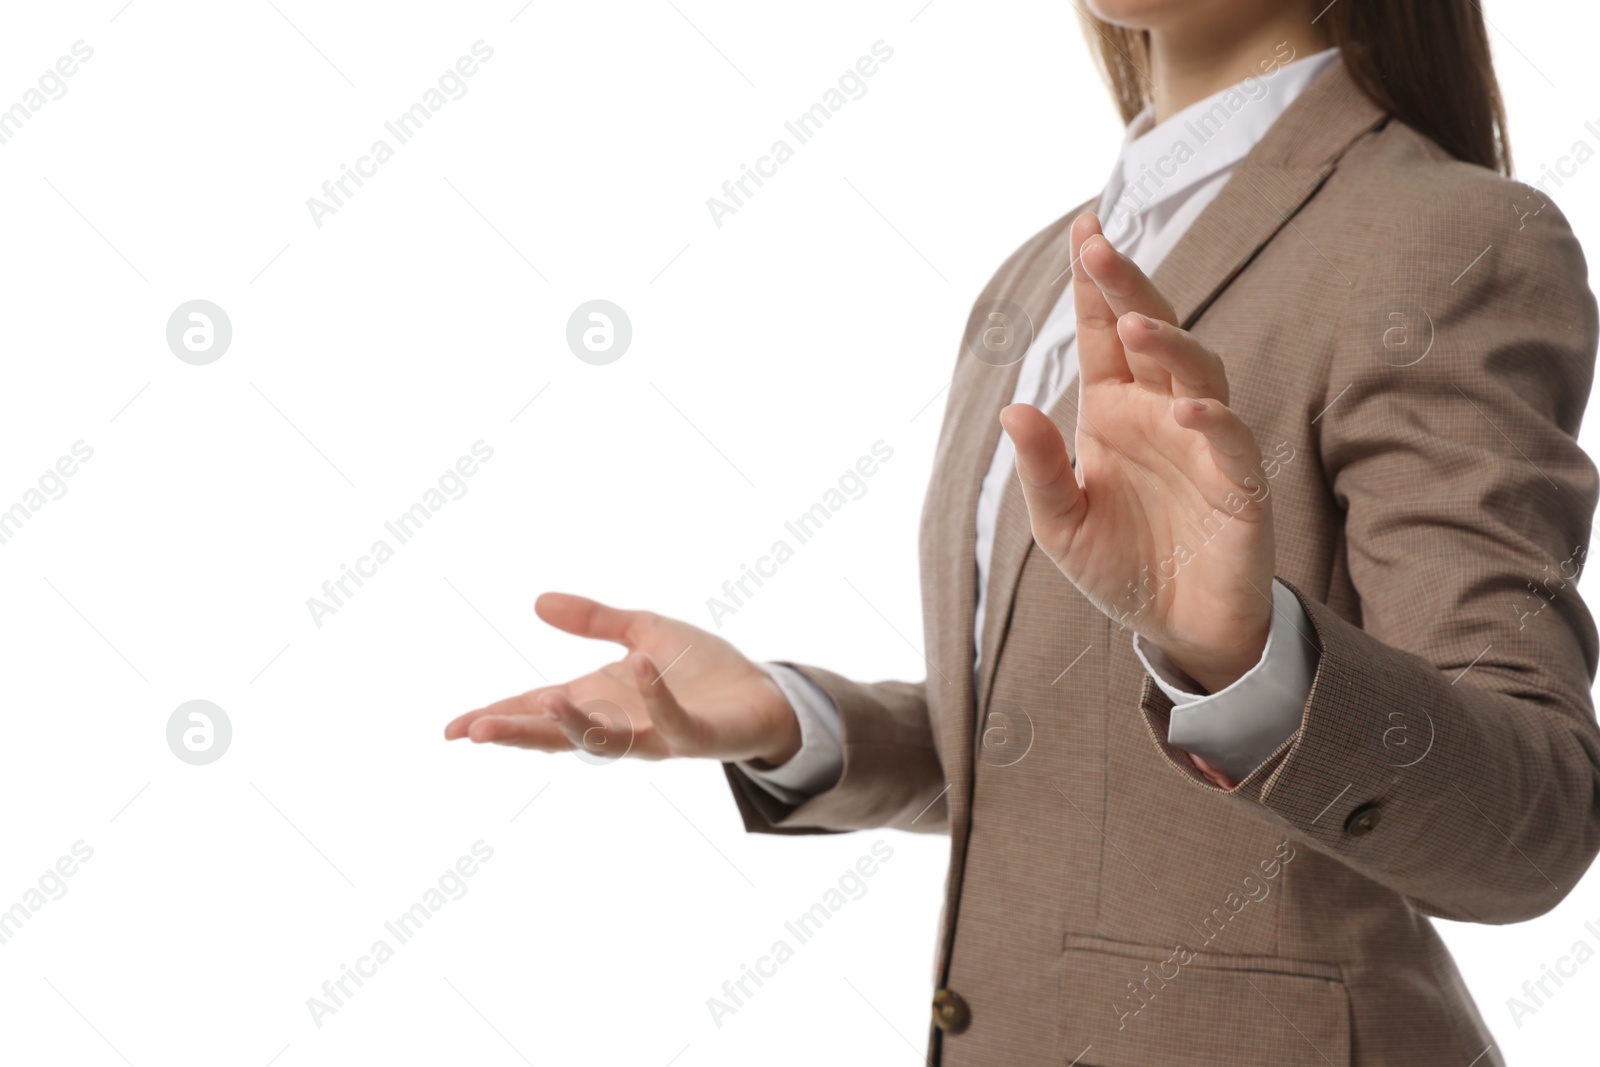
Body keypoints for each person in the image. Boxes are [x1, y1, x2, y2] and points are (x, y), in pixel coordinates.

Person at [446, 1, 1600, 1062]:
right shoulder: (1032, 278)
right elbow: (1064, 754)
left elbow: (1533, 824)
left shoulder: (1448, 235)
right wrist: (799, 721)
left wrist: (1247, 655)